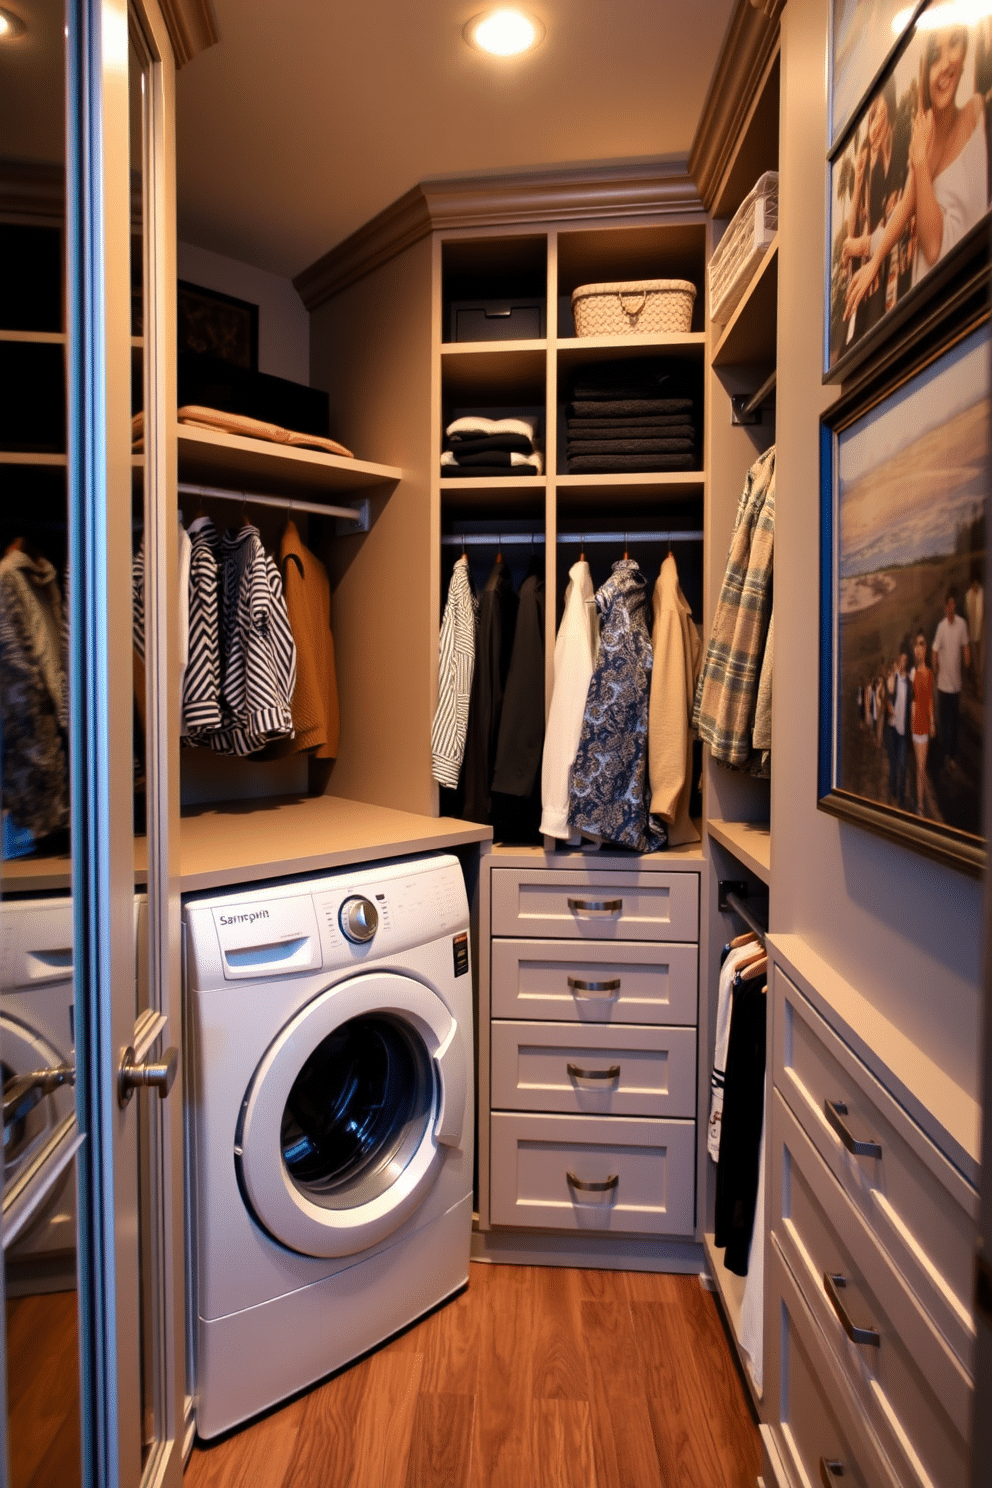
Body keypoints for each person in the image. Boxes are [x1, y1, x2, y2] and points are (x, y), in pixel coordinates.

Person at [846, 25, 988, 323]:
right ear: (925, 73)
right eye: (936, 56)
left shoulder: (975, 114)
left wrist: (920, 162)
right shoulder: (922, 144)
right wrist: (873, 257)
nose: (947, 62)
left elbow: (934, 246)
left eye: (956, 44)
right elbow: (904, 208)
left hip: (966, 300)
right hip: (934, 311)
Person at [932, 590, 971, 771]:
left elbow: (965, 645)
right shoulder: (941, 627)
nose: (952, 608)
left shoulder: (962, 625)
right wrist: (935, 668)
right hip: (942, 685)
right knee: (945, 722)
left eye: (954, 605)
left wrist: (967, 659)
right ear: (945, 607)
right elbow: (934, 650)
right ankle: (947, 754)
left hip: (956, 686)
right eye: (949, 605)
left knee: (954, 722)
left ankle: (952, 754)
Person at [910, 631, 936, 816]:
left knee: (921, 767)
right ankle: (919, 803)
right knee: (919, 767)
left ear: (925, 648)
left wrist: (932, 722)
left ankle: (920, 803)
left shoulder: (929, 674)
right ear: (915, 650)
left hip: (925, 726)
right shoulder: (913, 674)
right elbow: (913, 700)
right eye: (918, 644)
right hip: (915, 726)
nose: (920, 648)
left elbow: (930, 700)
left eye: (923, 644)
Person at [886, 650, 912, 807]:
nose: (903, 663)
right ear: (898, 662)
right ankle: (892, 790)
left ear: (906, 664)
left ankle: (900, 795)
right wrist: (889, 705)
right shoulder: (893, 678)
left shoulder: (908, 682)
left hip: (903, 731)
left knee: (902, 764)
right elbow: (889, 695)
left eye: (905, 660)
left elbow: (910, 705)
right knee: (893, 762)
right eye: (901, 660)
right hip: (892, 728)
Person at [965, 573, 984, 698]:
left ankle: (980, 686)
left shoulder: (983, 593)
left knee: (981, 661)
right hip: (972, 633)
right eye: (973, 584)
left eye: (977, 584)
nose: (975, 586)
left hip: (982, 632)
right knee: (976, 662)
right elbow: (968, 615)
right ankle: (977, 686)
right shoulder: (968, 595)